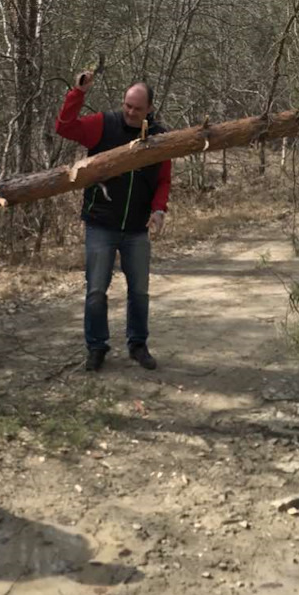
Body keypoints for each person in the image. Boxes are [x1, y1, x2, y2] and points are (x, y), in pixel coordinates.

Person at [56, 71, 171, 372]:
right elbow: (64, 127)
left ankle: (138, 345)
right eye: (127, 105)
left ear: (150, 109)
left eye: (137, 108)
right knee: (95, 290)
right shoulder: (103, 124)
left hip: (137, 228)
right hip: (101, 224)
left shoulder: (159, 136)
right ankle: (96, 347)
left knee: (140, 291)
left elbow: (163, 180)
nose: (131, 112)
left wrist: (159, 210)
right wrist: (77, 93)